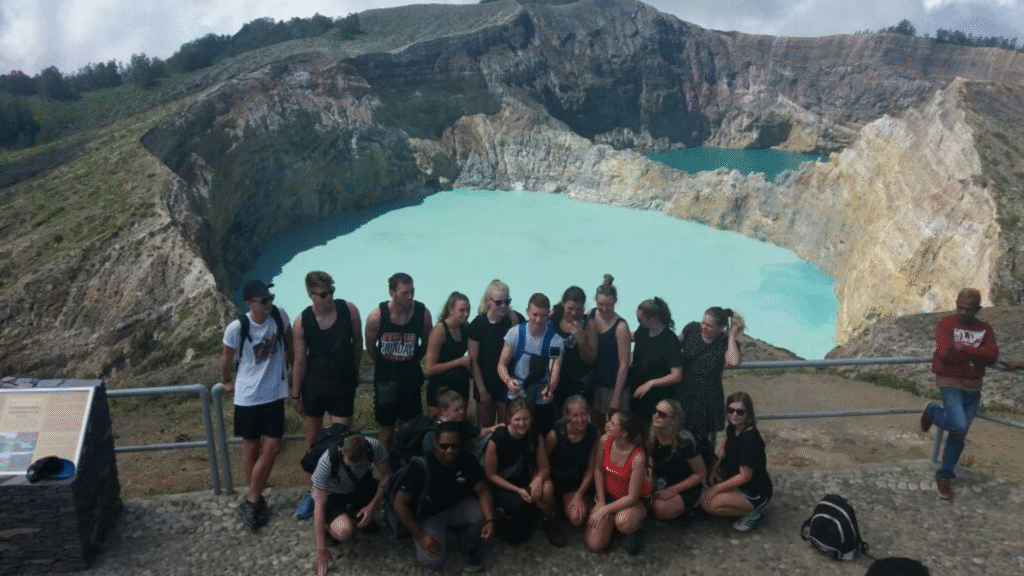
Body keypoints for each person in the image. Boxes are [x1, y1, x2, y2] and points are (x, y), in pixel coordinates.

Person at [220, 280, 293, 531]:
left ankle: (250, 500)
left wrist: (294, 375)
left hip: (274, 394)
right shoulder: (236, 328)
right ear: (249, 303)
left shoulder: (279, 315)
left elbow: (291, 344)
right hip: (248, 397)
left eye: (270, 297)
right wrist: (226, 381)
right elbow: (226, 358)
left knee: (272, 447)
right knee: (251, 448)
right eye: (264, 300)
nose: (269, 303)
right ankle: (257, 499)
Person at [291, 271, 363, 520]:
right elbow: (299, 361)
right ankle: (313, 492)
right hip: (315, 385)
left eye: (331, 291)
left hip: (342, 384)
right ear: (311, 295)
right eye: (323, 294)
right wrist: (295, 394)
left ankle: (338, 491)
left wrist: (353, 373)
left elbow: (357, 344)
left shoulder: (349, 310)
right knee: (313, 442)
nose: (329, 298)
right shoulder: (302, 321)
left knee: (340, 441)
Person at [920, 288, 999, 500]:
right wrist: (975, 355)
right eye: (959, 307)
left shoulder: (985, 329)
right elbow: (945, 353)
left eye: (968, 309)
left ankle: (944, 477)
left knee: (958, 434)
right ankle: (933, 411)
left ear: (978, 309)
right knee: (960, 425)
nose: (962, 312)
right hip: (950, 382)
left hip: (974, 387)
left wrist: (961, 349)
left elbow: (992, 355)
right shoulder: (946, 324)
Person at [393, 421, 495, 572]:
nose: (450, 450)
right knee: (433, 562)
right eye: (444, 446)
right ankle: (420, 534)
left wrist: (490, 520)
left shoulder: (466, 459)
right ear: (435, 444)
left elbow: (483, 491)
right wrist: (421, 536)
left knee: (482, 513)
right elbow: (400, 504)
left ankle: (466, 545)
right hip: (429, 515)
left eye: (455, 446)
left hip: (454, 506)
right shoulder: (421, 466)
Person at [365, 272, 432, 448]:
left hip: (410, 377)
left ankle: (407, 466)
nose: (410, 296)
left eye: (412, 291)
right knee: (386, 433)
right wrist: (384, 363)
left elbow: (427, 342)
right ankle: (386, 467)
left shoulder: (422, 313)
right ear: (392, 293)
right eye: (405, 293)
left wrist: (414, 358)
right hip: (386, 379)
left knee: (409, 429)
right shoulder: (377, 317)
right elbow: (371, 347)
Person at [483, 398, 561, 546]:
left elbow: (544, 467)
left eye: (525, 418)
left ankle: (548, 519)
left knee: (547, 487)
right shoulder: (498, 439)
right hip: (503, 486)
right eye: (517, 419)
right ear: (509, 419)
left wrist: (537, 480)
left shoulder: (534, 435)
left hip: (525, 483)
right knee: (518, 533)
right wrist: (517, 490)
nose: (522, 423)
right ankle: (499, 514)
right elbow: (491, 475)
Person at [312, 435, 390, 576]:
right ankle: (328, 526)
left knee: (367, 520)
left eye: (359, 464)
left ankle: (355, 515)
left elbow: (387, 476)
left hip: (359, 490)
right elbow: (319, 504)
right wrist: (321, 549)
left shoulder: (374, 447)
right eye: (349, 465)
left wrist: (372, 506)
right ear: (343, 451)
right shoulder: (327, 461)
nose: (353, 468)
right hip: (333, 495)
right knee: (344, 532)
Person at [700, 391, 772, 532]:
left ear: (748, 414)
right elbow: (722, 450)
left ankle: (752, 513)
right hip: (736, 481)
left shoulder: (750, 440)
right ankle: (734, 503)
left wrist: (715, 489)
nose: (734, 415)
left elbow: (745, 476)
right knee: (706, 494)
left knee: (710, 504)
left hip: (753, 491)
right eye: (731, 410)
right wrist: (712, 475)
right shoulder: (733, 429)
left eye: (740, 412)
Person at [497, 293, 564, 435]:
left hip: (541, 396)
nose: (538, 320)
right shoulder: (514, 333)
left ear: (549, 314)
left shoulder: (555, 340)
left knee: (542, 436)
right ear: (527, 312)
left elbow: (555, 369)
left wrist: (550, 389)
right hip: (517, 393)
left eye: (543, 316)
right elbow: (502, 365)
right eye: (534, 315)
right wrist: (508, 381)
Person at [678, 306, 743, 450]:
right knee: (679, 432)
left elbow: (733, 362)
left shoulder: (725, 342)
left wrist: (731, 335)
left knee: (701, 439)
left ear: (720, 327)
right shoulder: (692, 329)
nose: (704, 328)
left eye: (709, 326)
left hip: (706, 397)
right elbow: (674, 346)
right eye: (703, 323)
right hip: (684, 390)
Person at [585, 410, 649, 555]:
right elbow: (598, 470)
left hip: (632, 502)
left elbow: (632, 497)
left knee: (623, 522)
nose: (607, 424)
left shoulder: (637, 457)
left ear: (624, 433)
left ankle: (635, 528)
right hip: (610, 497)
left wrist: (604, 510)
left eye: (612, 423)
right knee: (594, 545)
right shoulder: (604, 441)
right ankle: (610, 524)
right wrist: (601, 502)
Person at [468, 279, 521, 428]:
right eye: (499, 302)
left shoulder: (514, 320)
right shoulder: (478, 324)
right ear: (488, 301)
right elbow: (473, 360)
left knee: (507, 428)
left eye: (507, 301)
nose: (503, 306)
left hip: (508, 382)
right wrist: (482, 390)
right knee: (486, 429)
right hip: (486, 381)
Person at [545, 394, 599, 530]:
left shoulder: (594, 433)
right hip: (560, 481)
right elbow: (542, 462)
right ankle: (553, 509)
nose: (580, 419)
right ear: (567, 416)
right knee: (576, 517)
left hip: (580, 481)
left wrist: (579, 494)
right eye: (575, 415)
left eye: (583, 414)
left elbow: (591, 469)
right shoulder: (555, 435)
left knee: (577, 519)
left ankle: (575, 504)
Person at [647, 399, 706, 521]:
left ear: (673, 420)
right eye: (655, 411)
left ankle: (695, 505)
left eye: (662, 414)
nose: (656, 416)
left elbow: (700, 474)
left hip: (686, 485)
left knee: (661, 509)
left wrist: (673, 490)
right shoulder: (652, 436)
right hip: (664, 481)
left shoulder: (684, 442)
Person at [629, 297, 683, 423]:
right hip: (638, 392)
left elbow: (677, 375)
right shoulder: (643, 330)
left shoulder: (670, 341)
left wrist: (651, 383)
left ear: (652, 319)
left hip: (658, 397)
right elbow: (631, 336)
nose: (639, 322)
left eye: (640, 319)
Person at [588, 274, 631, 428]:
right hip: (596, 383)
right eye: (601, 304)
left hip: (615, 386)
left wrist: (616, 396)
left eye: (609, 305)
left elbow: (624, 364)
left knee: (618, 428)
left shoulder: (621, 327)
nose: (604, 309)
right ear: (595, 301)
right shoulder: (590, 314)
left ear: (615, 303)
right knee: (596, 426)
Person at [424, 292, 472, 415]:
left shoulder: (465, 327)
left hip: (461, 385)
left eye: (468, 310)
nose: (466, 314)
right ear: (450, 310)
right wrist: (459, 362)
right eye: (461, 310)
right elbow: (429, 368)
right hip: (441, 387)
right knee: (438, 428)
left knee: (459, 427)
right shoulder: (439, 331)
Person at [549, 287, 596, 412]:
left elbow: (590, 359)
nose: (574, 313)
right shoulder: (554, 319)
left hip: (578, 383)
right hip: (557, 381)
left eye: (578, 309)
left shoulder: (588, 323)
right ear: (563, 304)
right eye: (570, 309)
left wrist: (582, 341)